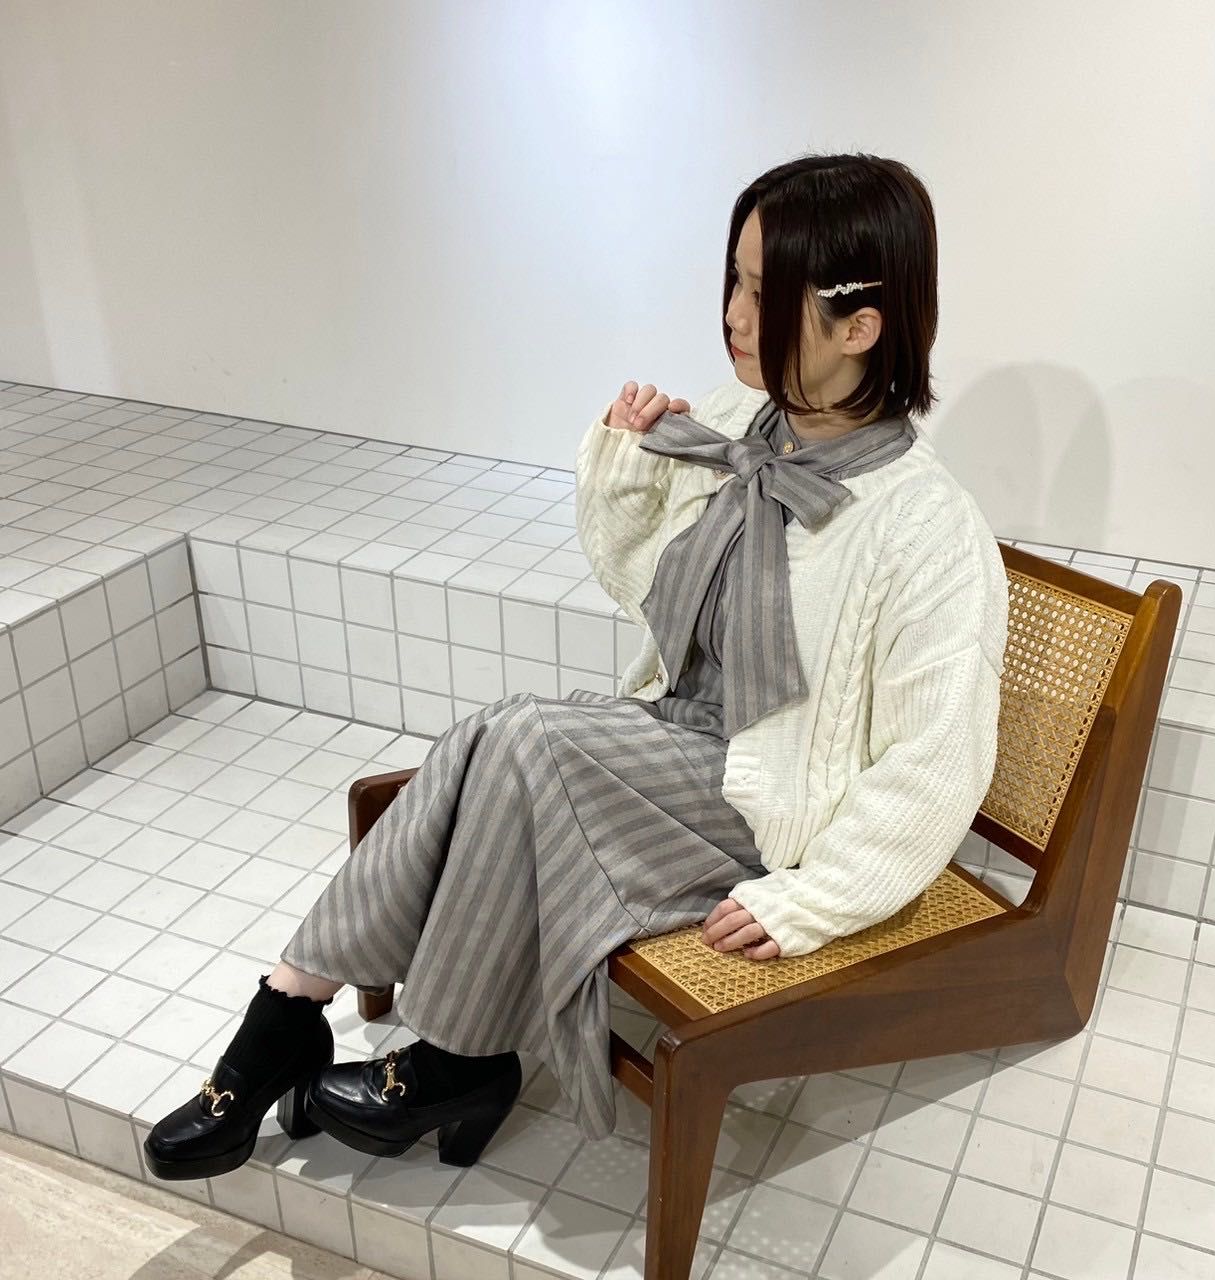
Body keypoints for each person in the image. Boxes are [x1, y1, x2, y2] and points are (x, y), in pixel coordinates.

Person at [143, 151, 1009, 1182]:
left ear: (860, 326)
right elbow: (643, 581)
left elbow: (935, 764)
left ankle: (389, 1048)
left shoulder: (927, 528)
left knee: (522, 737)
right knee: (496, 737)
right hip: (682, 741)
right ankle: (314, 1014)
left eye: (764, 294)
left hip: (775, 805)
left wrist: (812, 900)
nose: (733, 314)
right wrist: (628, 459)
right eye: (733, 280)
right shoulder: (738, 426)